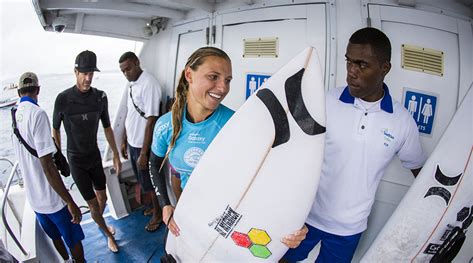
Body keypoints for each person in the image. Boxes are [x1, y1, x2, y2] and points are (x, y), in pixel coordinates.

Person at [282, 27, 426, 262]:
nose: (351, 72)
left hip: (349, 229)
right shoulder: (326, 101)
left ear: (385, 68)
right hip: (304, 216)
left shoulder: (402, 121)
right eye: (349, 62)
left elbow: (420, 171)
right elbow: (294, 147)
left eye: (362, 65)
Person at [149, 46, 308, 250]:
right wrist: (165, 204)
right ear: (189, 74)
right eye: (213, 77)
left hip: (232, 216)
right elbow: (155, 164)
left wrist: (288, 220)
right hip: (190, 214)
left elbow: (266, 176)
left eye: (228, 80)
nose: (223, 88)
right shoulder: (165, 125)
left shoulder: (236, 124)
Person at [52, 50, 122, 253]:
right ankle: (108, 234)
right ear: (75, 72)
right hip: (76, 161)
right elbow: (55, 129)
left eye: (91, 72)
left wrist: (116, 155)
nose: (88, 77)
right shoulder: (63, 99)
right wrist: (59, 157)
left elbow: (108, 128)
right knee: (92, 205)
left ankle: (99, 222)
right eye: (84, 73)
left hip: (94, 157)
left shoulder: (100, 97)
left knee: (103, 199)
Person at [12, 72, 85, 262]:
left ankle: (67, 261)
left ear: (19, 92)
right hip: (52, 199)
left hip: (35, 199)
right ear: (38, 90)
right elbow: (48, 166)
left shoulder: (14, 116)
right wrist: (69, 201)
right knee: (74, 239)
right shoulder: (38, 114)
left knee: (55, 236)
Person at [118, 51, 163, 232]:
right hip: (133, 142)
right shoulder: (132, 84)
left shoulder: (149, 84)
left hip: (144, 145)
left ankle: (158, 214)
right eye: (123, 71)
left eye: (128, 68)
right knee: (142, 181)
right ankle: (154, 207)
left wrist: (144, 152)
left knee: (150, 182)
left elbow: (152, 119)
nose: (126, 73)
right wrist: (124, 140)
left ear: (137, 63)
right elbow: (131, 113)